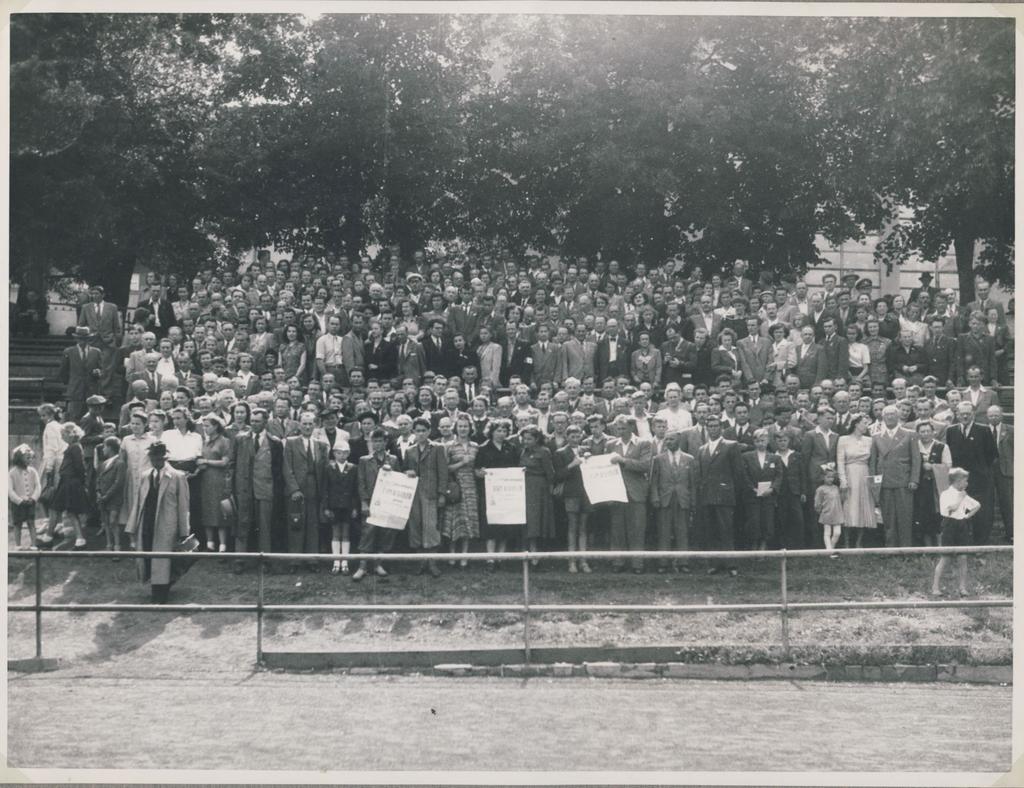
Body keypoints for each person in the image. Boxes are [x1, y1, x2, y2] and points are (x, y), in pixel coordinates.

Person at [125, 441, 191, 604]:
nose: (156, 461)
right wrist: (133, 525)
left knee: (163, 558)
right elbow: (138, 501)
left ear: (165, 458)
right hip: (147, 521)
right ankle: (155, 587)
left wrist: (184, 531)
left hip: (166, 524)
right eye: (153, 458)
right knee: (148, 555)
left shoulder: (177, 477)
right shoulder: (145, 475)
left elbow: (183, 506)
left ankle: (161, 592)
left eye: (159, 458)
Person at [228, 407, 284, 570]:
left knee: (264, 525)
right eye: (252, 421)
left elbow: (278, 470)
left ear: (265, 422)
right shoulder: (240, 439)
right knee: (242, 523)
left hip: (265, 488)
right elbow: (232, 464)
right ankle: (239, 560)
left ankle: (264, 560)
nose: (254, 424)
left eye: (257, 421)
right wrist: (229, 489)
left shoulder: (275, 442)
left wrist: (275, 491)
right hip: (243, 488)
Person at [400, 417, 449, 576]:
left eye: (423, 431)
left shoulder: (438, 448)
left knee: (431, 528)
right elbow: (405, 471)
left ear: (429, 431)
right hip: (413, 495)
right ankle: (421, 562)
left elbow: (443, 473)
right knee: (416, 527)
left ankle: (432, 563)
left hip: (431, 494)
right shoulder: (410, 450)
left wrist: (442, 494)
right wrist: (407, 472)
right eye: (417, 431)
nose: (420, 434)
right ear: (413, 432)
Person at [695, 414, 743, 575]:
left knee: (726, 530)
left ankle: (731, 564)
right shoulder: (702, 449)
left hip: (724, 495)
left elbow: (738, 473)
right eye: (710, 426)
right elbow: (701, 474)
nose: (713, 429)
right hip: (708, 496)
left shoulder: (731, 446)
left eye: (716, 426)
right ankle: (714, 563)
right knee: (711, 531)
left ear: (721, 428)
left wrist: (731, 491)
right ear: (706, 429)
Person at [945, 401, 998, 545]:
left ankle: (979, 546)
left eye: (968, 413)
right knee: (960, 513)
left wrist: (980, 470)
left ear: (973, 414)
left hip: (979, 480)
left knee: (980, 514)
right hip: (958, 482)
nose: (965, 416)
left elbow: (991, 455)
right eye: (962, 414)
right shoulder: (951, 431)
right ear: (957, 414)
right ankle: (963, 545)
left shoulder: (984, 430)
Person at [868, 404, 921, 547]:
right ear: (882, 417)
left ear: (898, 416)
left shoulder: (909, 434)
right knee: (888, 517)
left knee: (905, 517)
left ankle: (906, 549)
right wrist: (874, 484)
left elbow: (916, 459)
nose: (890, 417)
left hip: (904, 481)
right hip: (884, 482)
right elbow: (873, 462)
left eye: (893, 414)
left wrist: (914, 479)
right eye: (887, 414)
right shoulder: (876, 437)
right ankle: (890, 548)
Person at [283, 411, 329, 567]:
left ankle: (312, 561)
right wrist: (294, 489)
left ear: (315, 426)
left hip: (314, 487)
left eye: (310, 424)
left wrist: (323, 492)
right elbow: (287, 467)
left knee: (313, 525)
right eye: (304, 423)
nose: (307, 427)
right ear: (299, 424)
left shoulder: (321, 445)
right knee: (296, 523)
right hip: (297, 488)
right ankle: (294, 561)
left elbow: (325, 469)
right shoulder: (290, 442)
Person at [353, 428, 400, 581]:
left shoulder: (393, 459)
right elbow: (360, 483)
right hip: (371, 502)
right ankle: (362, 567)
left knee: (385, 533)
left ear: (386, 442)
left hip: (388, 502)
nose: (377, 444)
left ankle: (378, 564)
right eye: (374, 441)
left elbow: (398, 480)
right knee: (368, 533)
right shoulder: (364, 460)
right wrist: (364, 503)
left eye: (380, 441)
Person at [649, 429, 697, 573]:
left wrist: (692, 501)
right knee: (664, 531)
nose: (668, 442)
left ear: (679, 440)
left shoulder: (689, 459)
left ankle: (683, 562)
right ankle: (663, 563)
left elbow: (693, 483)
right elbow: (653, 482)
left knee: (682, 531)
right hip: (665, 499)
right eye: (667, 439)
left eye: (672, 439)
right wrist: (655, 497)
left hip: (682, 499)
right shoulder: (658, 459)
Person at [474, 418, 520, 568]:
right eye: (498, 430)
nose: (501, 433)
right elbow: (477, 470)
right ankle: (490, 559)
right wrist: (480, 473)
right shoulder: (483, 448)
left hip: (507, 493)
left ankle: (501, 557)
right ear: (491, 432)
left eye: (504, 431)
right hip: (490, 493)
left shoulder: (511, 448)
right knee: (491, 526)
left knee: (505, 524)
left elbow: (515, 468)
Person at [931, 467, 981, 598]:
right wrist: (961, 498)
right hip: (949, 525)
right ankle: (935, 587)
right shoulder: (946, 494)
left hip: (961, 526)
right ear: (958, 481)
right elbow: (951, 509)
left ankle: (962, 587)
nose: (967, 484)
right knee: (945, 558)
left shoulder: (963, 493)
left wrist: (967, 516)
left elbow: (977, 505)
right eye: (965, 481)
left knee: (963, 558)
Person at [442, 414, 480, 567]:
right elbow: (445, 468)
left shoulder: (476, 446)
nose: (463, 429)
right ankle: (452, 554)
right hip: (455, 486)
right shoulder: (449, 446)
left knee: (468, 520)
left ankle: (464, 554)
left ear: (470, 428)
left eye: (465, 426)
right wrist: (461, 463)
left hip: (471, 486)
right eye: (460, 426)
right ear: (455, 428)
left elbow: (477, 467)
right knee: (453, 521)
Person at [836, 414, 877, 549]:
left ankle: (859, 542)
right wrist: (843, 480)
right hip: (849, 473)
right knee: (849, 506)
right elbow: (840, 461)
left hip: (864, 474)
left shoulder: (869, 440)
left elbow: (872, 462)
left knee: (863, 506)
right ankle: (847, 542)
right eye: (864, 423)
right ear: (856, 424)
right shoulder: (843, 439)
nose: (866, 426)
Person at [78, 284, 124, 402]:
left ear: (103, 295)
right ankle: (92, 395)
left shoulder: (112, 307)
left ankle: (106, 396)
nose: (94, 296)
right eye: (92, 294)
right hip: (92, 342)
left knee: (107, 369)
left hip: (108, 342)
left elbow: (117, 327)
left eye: (97, 293)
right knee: (92, 368)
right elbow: (81, 325)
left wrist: (115, 340)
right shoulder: (86, 308)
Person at [740, 428, 783, 553]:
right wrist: (751, 488)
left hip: (768, 496)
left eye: (763, 440)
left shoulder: (775, 458)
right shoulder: (746, 457)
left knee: (767, 520)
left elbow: (779, 476)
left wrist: (772, 489)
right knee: (754, 520)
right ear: (754, 442)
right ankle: (754, 543)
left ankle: (764, 544)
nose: (761, 443)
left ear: (768, 441)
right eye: (758, 441)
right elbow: (744, 475)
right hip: (752, 495)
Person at [519, 425, 557, 562]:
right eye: (524, 439)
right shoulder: (522, 451)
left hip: (538, 490)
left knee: (536, 522)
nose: (526, 442)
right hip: (524, 489)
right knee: (527, 521)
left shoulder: (544, 451)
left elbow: (551, 474)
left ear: (536, 439)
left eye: (529, 439)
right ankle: (526, 553)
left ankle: (535, 556)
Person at [197, 415, 232, 555]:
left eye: (208, 426)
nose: (205, 429)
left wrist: (206, 462)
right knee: (207, 510)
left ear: (216, 426)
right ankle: (210, 543)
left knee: (220, 511)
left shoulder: (224, 441)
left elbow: (225, 462)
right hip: (205, 480)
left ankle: (222, 546)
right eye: (204, 426)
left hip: (219, 480)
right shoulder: (205, 442)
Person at [913, 421, 951, 547]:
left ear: (933, 432)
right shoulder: (915, 446)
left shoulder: (942, 447)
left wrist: (933, 467)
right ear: (918, 433)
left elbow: (948, 466)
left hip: (936, 487)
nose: (925, 434)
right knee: (922, 515)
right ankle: (927, 547)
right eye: (922, 431)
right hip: (919, 487)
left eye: (928, 431)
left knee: (937, 515)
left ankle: (940, 546)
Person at [323, 442, 358, 575]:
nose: (341, 455)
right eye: (338, 452)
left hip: (348, 506)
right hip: (334, 506)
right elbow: (325, 488)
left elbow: (355, 490)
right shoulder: (328, 468)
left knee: (346, 534)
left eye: (344, 453)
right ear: (334, 453)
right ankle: (336, 562)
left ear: (348, 454)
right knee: (336, 533)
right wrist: (326, 507)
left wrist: (355, 507)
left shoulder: (353, 468)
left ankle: (345, 563)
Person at [54, 422, 89, 549]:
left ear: (71, 434)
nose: (62, 437)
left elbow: (79, 467)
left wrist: (79, 482)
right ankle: (76, 537)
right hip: (67, 481)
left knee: (72, 511)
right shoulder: (71, 447)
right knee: (68, 511)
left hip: (72, 482)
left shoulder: (75, 447)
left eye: (63, 434)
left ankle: (80, 539)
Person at [59, 326, 104, 420]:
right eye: (80, 339)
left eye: (85, 339)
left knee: (91, 418)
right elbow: (63, 372)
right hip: (75, 391)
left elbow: (102, 370)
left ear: (89, 339)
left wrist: (98, 373)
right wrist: (72, 383)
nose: (83, 341)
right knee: (74, 417)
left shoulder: (96, 352)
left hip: (91, 391)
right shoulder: (69, 352)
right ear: (76, 339)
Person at [8, 444, 41, 550]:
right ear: (19, 458)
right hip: (18, 503)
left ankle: (34, 544)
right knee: (18, 524)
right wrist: (19, 501)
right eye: (27, 458)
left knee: (31, 522)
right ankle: (18, 545)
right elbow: (10, 490)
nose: (29, 460)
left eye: (30, 457)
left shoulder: (33, 471)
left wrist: (34, 498)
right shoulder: (12, 473)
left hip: (30, 502)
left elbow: (38, 486)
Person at [814, 463, 844, 557]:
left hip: (837, 513)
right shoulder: (820, 489)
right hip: (826, 513)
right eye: (828, 477)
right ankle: (830, 551)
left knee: (837, 533)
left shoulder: (836, 488)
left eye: (832, 477)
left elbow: (841, 499)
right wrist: (819, 511)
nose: (830, 479)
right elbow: (817, 502)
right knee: (827, 533)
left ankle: (831, 548)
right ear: (823, 477)